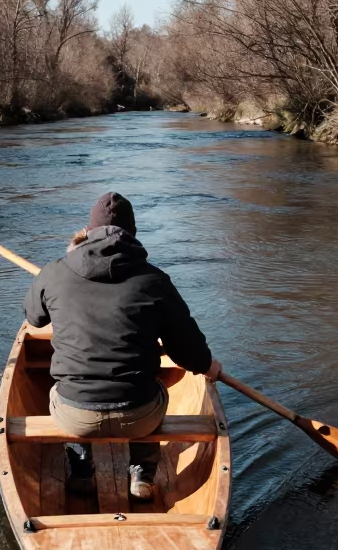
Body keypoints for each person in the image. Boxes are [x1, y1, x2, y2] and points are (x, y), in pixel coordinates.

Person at [23, 191, 222, 501]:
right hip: (139, 415)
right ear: (133, 235)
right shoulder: (155, 281)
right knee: (158, 390)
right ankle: (142, 474)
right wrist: (207, 365)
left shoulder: (54, 272)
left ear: (85, 233)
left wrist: (49, 286)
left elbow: (34, 320)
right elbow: (188, 350)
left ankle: (81, 471)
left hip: (76, 417)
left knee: (57, 391)